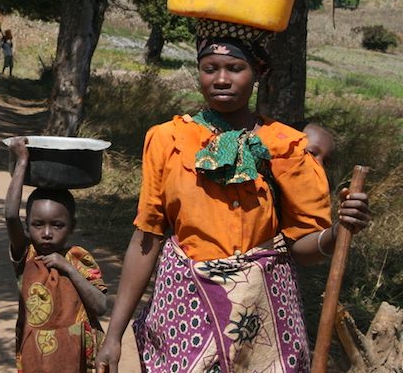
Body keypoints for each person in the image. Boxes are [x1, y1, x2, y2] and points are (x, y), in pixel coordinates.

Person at [95, 20, 371, 373]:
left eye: (236, 68)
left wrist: (339, 231)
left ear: (258, 72)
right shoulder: (168, 140)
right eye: (209, 68)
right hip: (184, 313)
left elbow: (303, 247)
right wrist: (114, 336)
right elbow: (147, 236)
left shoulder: (286, 147)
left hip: (263, 319)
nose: (221, 79)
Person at [6, 137, 107, 373]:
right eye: (38, 224)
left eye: (57, 225)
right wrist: (22, 162)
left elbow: (100, 306)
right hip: (34, 352)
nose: (47, 233)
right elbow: (11, 216)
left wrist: (68, 268)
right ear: (28, 226)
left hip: (74, 353)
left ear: (72, 226)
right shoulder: (26, 254)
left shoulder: (79, 258)